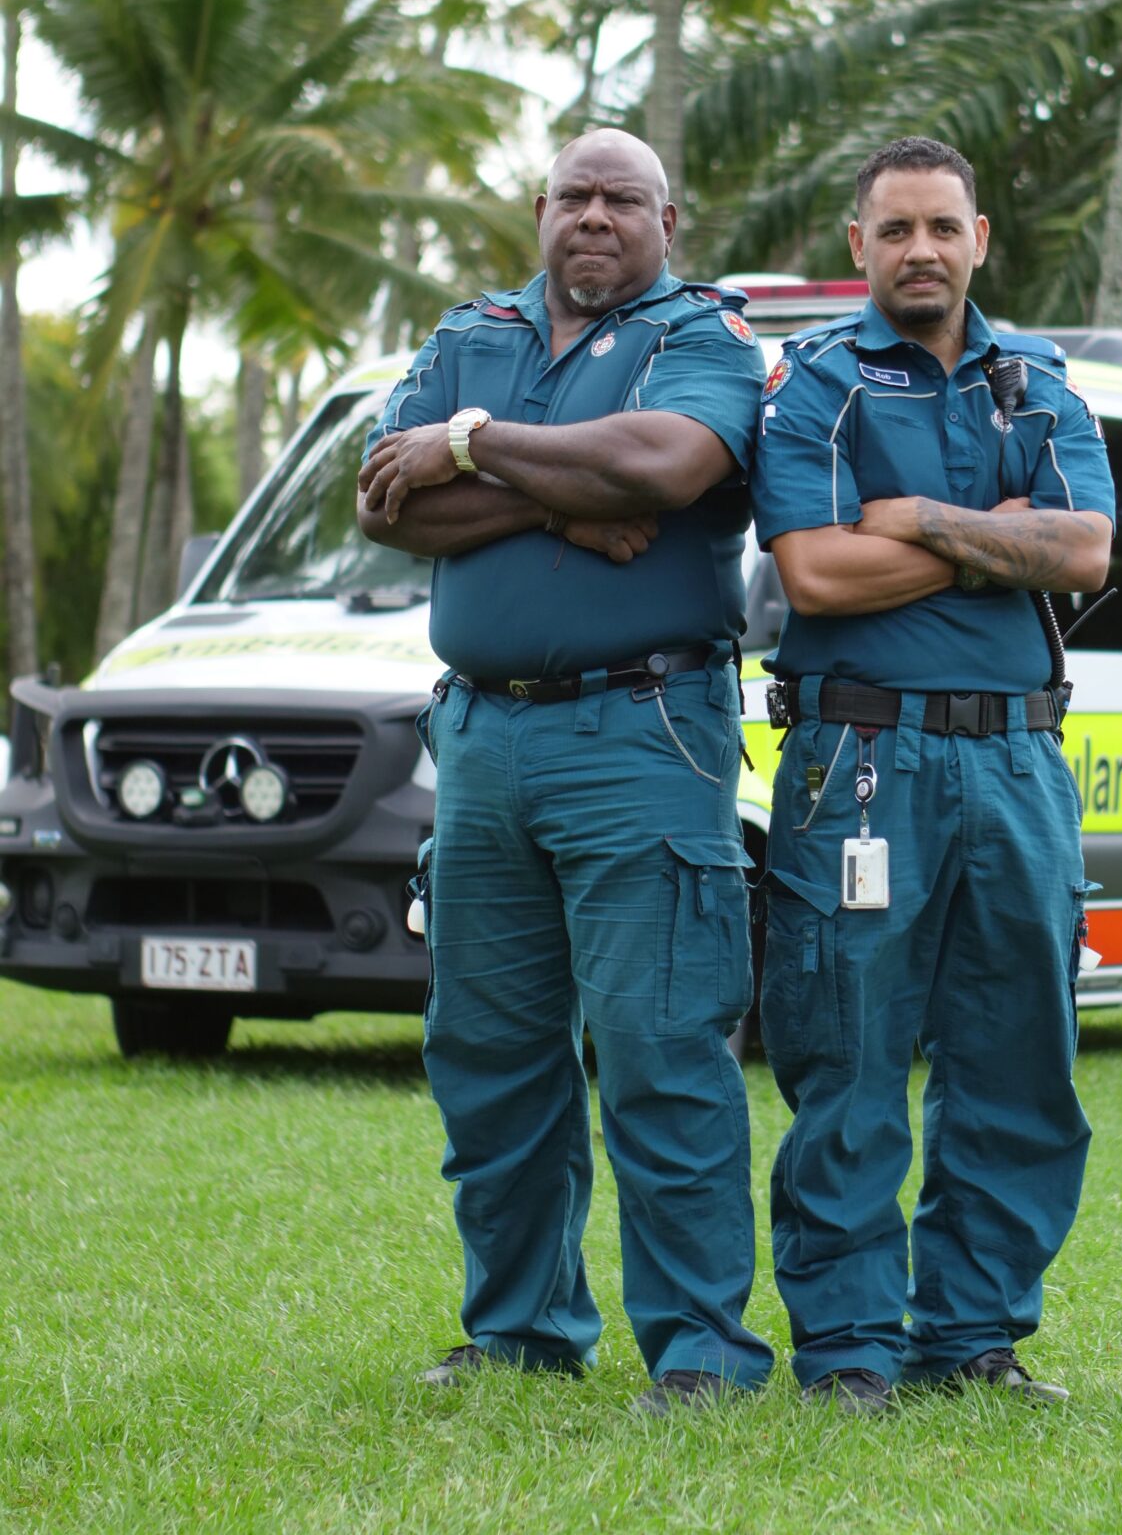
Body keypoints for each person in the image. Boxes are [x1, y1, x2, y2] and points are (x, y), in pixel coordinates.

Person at [356, 127, 773, 1414]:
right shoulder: (468, 335)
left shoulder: (703, 340)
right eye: (575, 196)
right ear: (541, 209)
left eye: (623, 199)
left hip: (641, 733)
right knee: (488, 1046)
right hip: (480, 738)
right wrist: (551, 494)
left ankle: (700, 1353)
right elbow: (383, 501)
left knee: (658, 1043)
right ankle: (524, 1330)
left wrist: (467, 451)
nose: (596, 217)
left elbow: (666, 464)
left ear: (666, 218)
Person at [749, 135, 1114, 1414]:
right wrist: (995, 540)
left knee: (1021, 1052)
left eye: (941, 228)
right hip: (859, 754)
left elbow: (1083, 552)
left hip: (1019, 758)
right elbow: (817, 574)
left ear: (979, 239)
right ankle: (849, 1350)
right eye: (894, 229)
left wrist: (914, 523)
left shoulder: (1039, 382)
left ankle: (974, 1338)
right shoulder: (816, 389)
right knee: (847, 1052)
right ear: (858, 246)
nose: (920, 251)